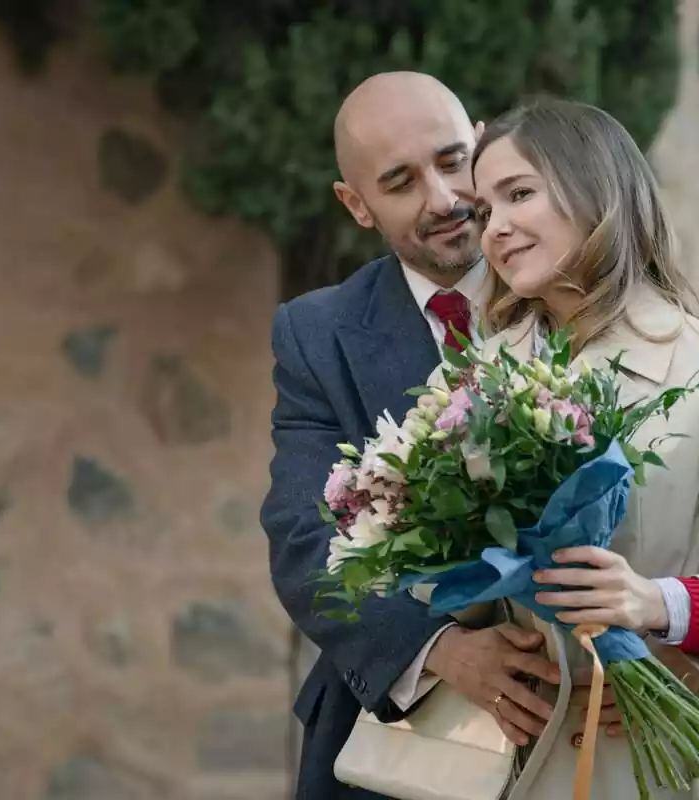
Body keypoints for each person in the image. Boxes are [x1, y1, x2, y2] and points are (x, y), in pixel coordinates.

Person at [463, 96, 699, 798]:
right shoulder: (479, 379)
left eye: (518, 194)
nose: (495, 229)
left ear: (596, 190)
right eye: (485, 211)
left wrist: (655, 602)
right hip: (511, 766)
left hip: (660, 767)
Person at [260, 71, 564, 800]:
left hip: (593, 725)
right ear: (356, 204)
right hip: (397, 751)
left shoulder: (576, 288)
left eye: (453, 159)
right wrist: (441, 651)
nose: (444, 199)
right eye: (400, 182)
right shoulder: (317, 334)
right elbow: (304, 539)